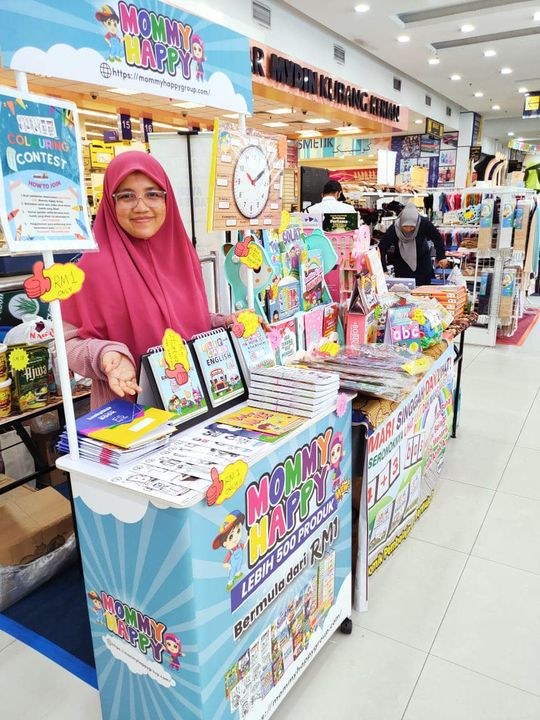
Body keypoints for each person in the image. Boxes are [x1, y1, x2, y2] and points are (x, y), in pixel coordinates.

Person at [61, 151, 233, 409]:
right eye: (127, 196)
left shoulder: (183, 256)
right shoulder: (90, 269)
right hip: (133, 414)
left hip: (194, 404)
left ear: (167, 200)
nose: (141, 207)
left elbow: (183, 321)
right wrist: (106, 354)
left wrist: (223, 323)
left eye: (152, 194)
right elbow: (67, 344)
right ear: (111, 202)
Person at [378, 203, 448, 286]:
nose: (408, 229)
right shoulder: (395, 228)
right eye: (405, 226)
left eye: (412, 227)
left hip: (422, 264)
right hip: (402, 266)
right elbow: (382, 248)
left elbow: (437, 239)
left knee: (423, 293)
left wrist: (441, 256)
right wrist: (383, 270)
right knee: (404, 292)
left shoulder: (423, 224)